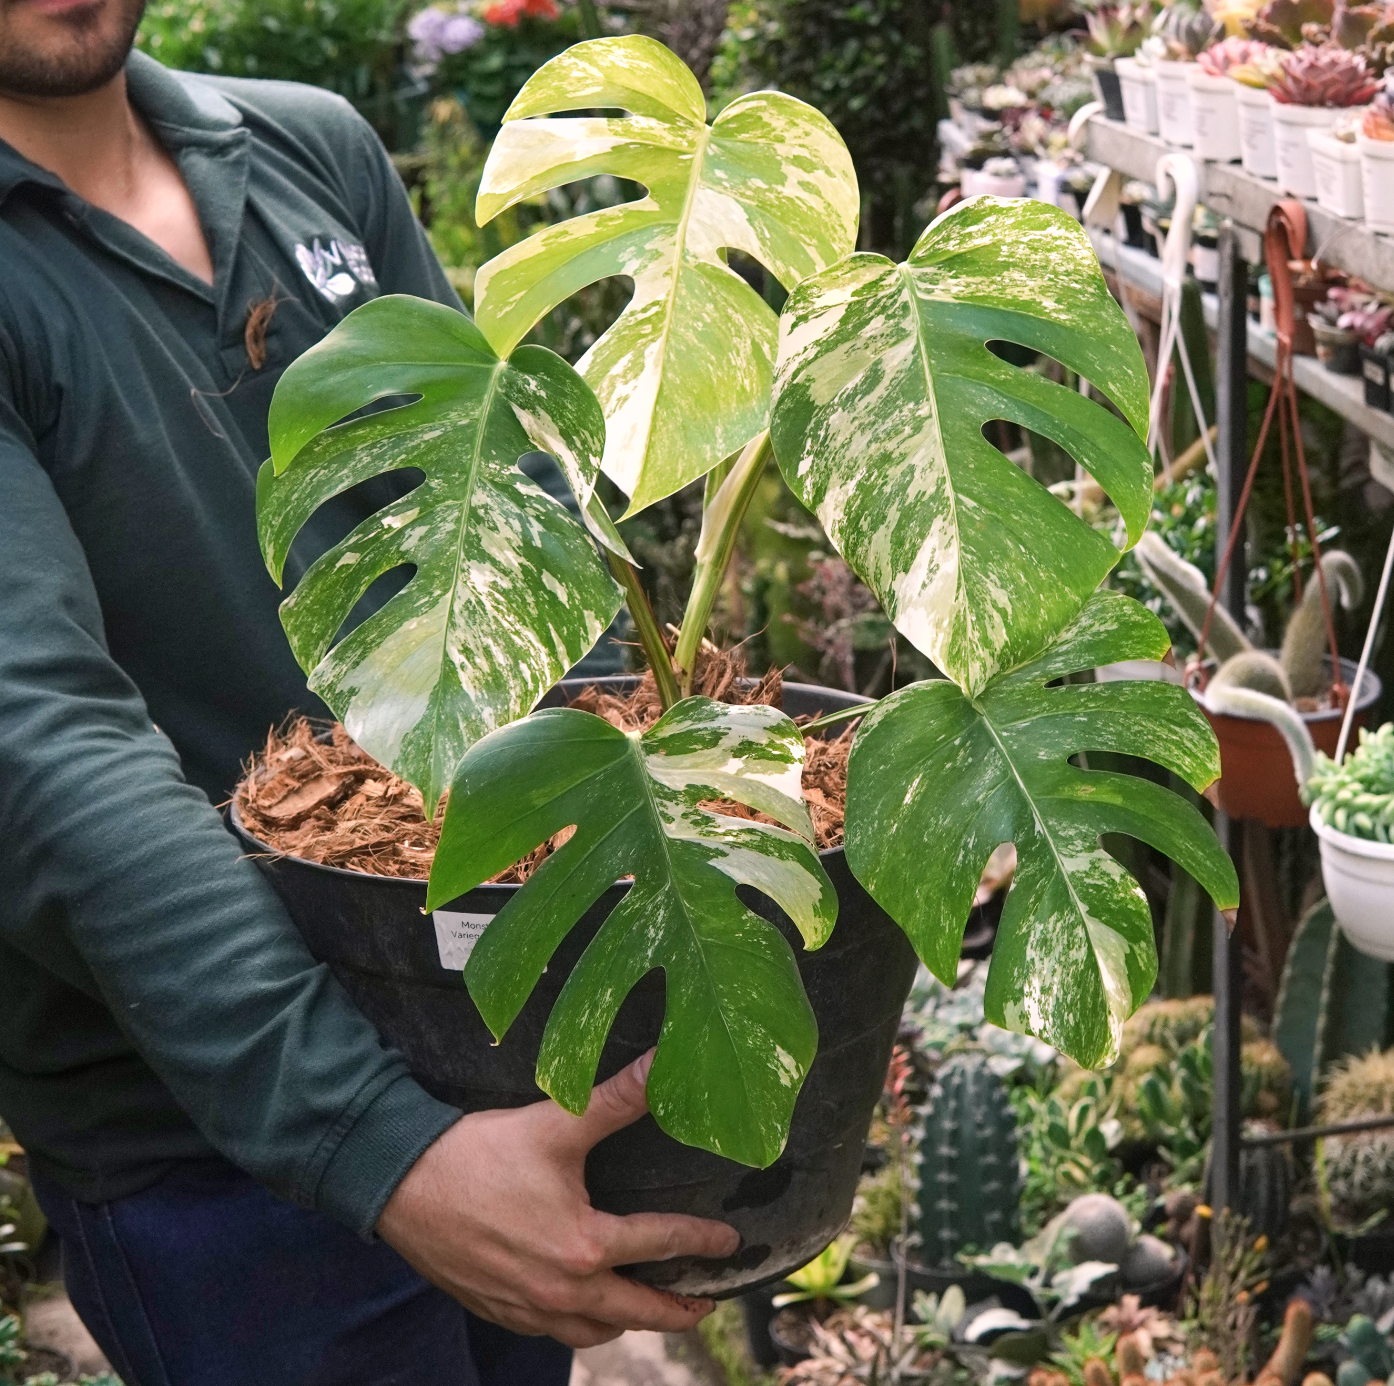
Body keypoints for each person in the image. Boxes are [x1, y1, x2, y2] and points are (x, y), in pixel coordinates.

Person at [0, 1, 740, 1382]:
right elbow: (41, 744)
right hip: (219, 1149)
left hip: (491, 1058)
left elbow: (503, 535)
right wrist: (386, 1149)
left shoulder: (308, 151)